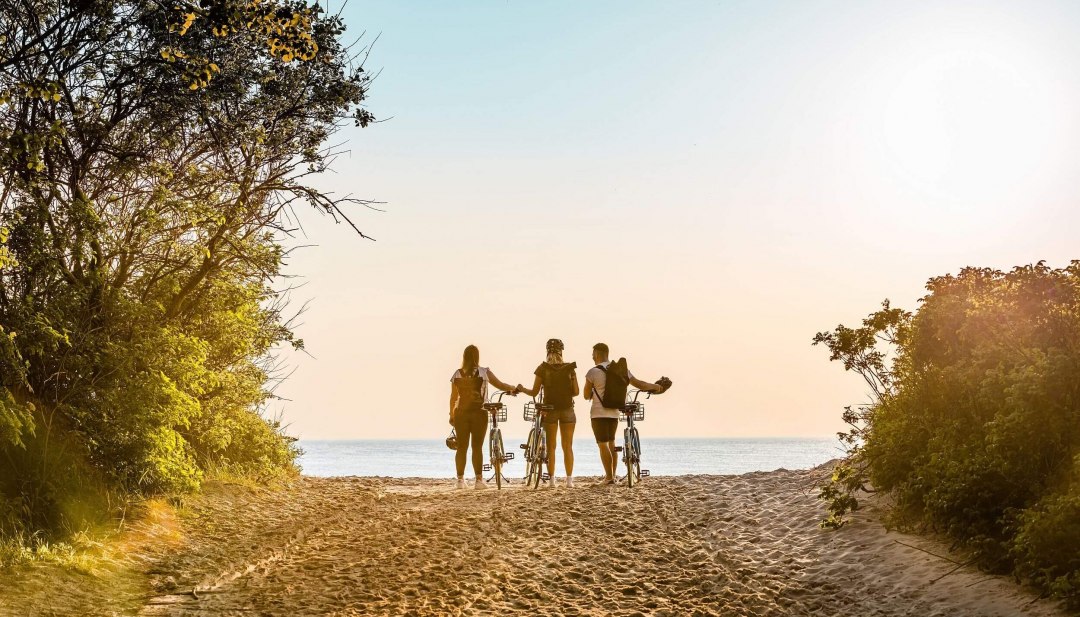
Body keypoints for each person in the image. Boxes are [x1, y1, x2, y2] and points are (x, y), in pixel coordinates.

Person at [582, 342, 665, 485]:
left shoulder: (592, 372)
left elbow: (585, 395)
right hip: (614, 412)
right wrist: (656, 386)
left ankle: (608, 478)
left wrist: (595, 390)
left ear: (596, 354)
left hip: (598, 413)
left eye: (593, 354)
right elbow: (639, 384)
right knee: (612, 443)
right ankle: (612, 475)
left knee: (603, 445)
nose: (592, 357)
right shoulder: (621, 370)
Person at [449, 345, 517, 489]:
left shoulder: (457, 374)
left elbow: (453, 397)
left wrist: (451, 415)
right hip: (479, 413)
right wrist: (513, 388)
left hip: (461, 413)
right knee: (477, 447)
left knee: (462, 447)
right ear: (477, 357)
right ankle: (479, 481)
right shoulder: (484, 372)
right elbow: (500, 385)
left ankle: (460, 481)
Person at [516, 339, 579, 488]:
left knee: (551, 446)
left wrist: (521, 388)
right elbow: (576, 392)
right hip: (567, 409)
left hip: (549, 411)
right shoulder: (570, 369)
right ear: (561, 352)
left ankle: (552, 480)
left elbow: (534, 391)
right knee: (567, 446)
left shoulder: (542, 368)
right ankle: (569, 481)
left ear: (547, 351)